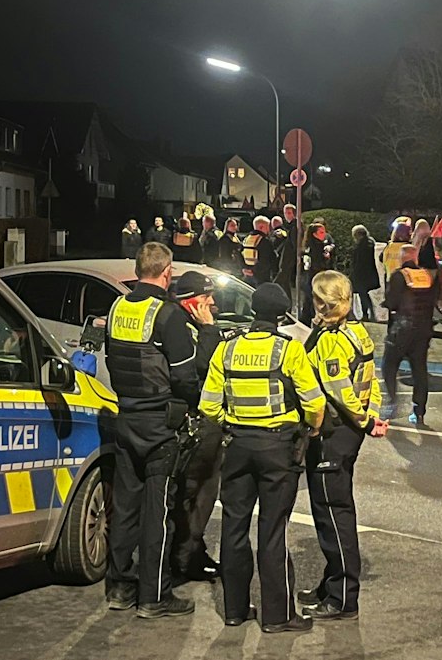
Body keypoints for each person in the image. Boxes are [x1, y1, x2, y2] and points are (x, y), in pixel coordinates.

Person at [199, 282, 326, 633]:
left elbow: (208, 405)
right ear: (282, 315)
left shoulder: (227, 348)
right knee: (272, 530)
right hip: (277, 447)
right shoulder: (289, 350)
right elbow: (315, 403)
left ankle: (235, 610)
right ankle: (277, 615)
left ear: (254, 310)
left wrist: (232, 422)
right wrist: (312, 428)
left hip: (237, 446)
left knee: (234, 526)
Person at [101, 241, 199, 619]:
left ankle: (119, 588)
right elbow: (185, 377)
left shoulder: (117, 307)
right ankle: (154, 595)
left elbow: (111, 356)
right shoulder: (168, 315)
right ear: (167, 272)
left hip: (126, 416)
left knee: (125, 507)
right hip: (160, 423)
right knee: (157, 513)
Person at [296, 272, 388, 621]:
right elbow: (371, 381)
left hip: (333, 433)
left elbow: (340, 391)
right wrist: (371, 416)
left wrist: (364, 421)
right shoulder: (357, 331)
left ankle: (342, 598)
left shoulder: (330, 341)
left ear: (322, 303)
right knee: (336, 511)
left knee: (333, 516)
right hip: (349, 432)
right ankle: (330, 584)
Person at [167, 271, 226, 584]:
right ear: (190, 302)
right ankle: (183, 558)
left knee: (204, 493)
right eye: (206, 297)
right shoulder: (183, 327)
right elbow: (201, 367)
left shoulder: (192, 324)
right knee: (192, 493)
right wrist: (209, 330)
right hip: (191, 423)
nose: (212, 302)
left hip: (204, 422)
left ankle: (192, 551)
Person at [381, 241, 437, 425]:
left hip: (402, 329)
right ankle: (419, 411)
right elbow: (433, 301)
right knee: (419, 370)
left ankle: (392, 401)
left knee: (389, 365)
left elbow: (391, 302)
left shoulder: (399, 276)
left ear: (401, 258)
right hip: (423, 330)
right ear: (415, 257)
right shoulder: (427, 276)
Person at [300, 221, 334, 321]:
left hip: (313, 277)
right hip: (315, 277)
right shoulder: (314, 247)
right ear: (314, 234)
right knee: (314, 300)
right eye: (321, 232)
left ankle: (306, 318)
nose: (324, 234)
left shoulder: (319, 244)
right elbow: (317, 263)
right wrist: (326, 258)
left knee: (310, 300)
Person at [348, 224, 380, 321]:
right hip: (369, 273)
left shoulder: (360, 246)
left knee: (362, 293)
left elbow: (358, 261)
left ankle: (366, 313)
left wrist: (353, 273)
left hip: (361, 274)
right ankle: (369, 313)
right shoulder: (370, 243)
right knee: (364, 293)